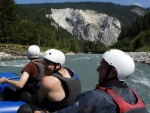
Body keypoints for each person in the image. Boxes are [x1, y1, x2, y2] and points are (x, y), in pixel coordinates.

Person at [35, 49, 148, 113]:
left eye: (102, 66)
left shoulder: (95, 97)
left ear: (113, 72)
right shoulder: (136, 97)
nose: (98, 69)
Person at [17, 48, 81, 113]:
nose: (44, 66)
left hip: (57, 111)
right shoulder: (72, 73)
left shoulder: (47, 80)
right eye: (44, 62)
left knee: (24, 109)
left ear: (58, 65)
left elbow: (39, 101)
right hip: (72, 109)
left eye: (47, 63)